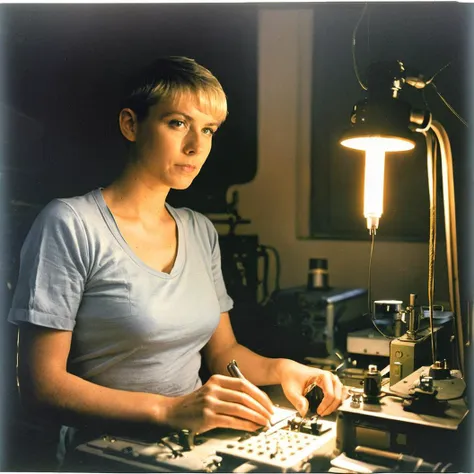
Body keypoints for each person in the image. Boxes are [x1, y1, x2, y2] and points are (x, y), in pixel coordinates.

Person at [8, 56, 344, 465]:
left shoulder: (199, 230)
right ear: (131, 124)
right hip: (105, 455)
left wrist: (285, 370)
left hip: (192, 447)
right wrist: (169, 410)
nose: (196, 147)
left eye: (208, 130)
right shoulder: (70, 223)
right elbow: (41, 386)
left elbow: (224, 353)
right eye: (178, 123)